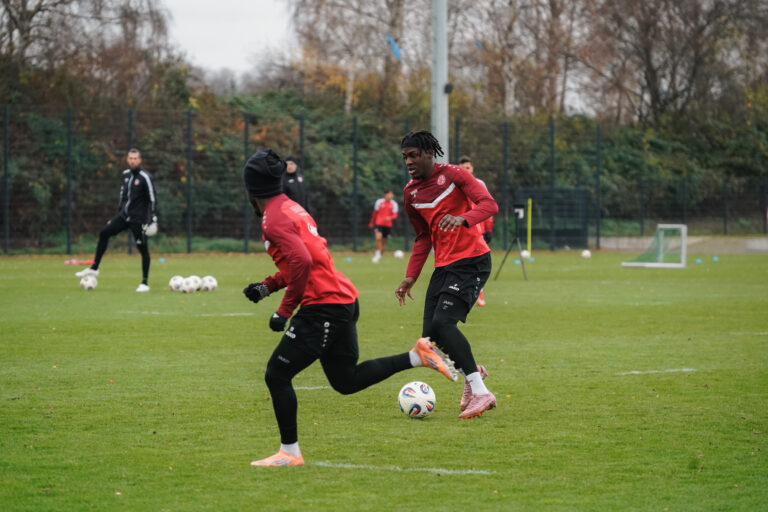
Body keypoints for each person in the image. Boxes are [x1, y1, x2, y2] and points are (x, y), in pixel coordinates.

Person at [241, 148, 458, 467]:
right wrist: (268, 286)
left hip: (324, 306)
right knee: (345, 380)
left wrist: (284, 311)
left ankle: (289, 453)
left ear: (251, 186)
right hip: (342, 299)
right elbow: (305, 261)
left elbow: (302, 262)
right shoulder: (291, 207)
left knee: (277, 375)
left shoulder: (273, 218)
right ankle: (417, 356)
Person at [395, 131, 499, 419]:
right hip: (444, 266)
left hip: (472, 260)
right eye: (405, 157)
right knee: (430, 339)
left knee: (444, 323)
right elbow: (422, 238)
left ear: (429, 154)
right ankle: (473, 374)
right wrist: (410, 276)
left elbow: (489, 204)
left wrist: (463, 218)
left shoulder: (454, 175)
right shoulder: (410, 193)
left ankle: (481, 393)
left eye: (414, 155)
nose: (409, 162)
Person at [75, 148, 158, 292]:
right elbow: (123, 197)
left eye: (135, 158)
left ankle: (144, 283)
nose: (132, 161)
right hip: (124, 217)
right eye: (130, 158)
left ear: (140, 160)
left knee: (143, 249)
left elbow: (152, 199)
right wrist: (116, 217)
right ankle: (94, 268)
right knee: (104, 233)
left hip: (138, 219)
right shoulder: (125, 174)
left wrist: (152, 219)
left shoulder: (145, 177)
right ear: (127, 159)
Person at [458, 155, 494, 307]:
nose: (465, 170)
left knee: (477, 263)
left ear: (472, 169)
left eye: (467, 168)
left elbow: (487, 205)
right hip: (460, 230)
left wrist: (488, 227)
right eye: (462, 168)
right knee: (461, 263)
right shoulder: (455, 185)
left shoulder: (479, 184)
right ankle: (464, 292)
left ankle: (478, 292)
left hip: (478, 230)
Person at [368, 189, 399, 263]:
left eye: (392, 194)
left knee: (384, 242)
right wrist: (371, 222)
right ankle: (377, 255)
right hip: (378, 224)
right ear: (386, 194)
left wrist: (390, 217)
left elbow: (395, 215)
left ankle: (379, 255)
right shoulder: (379, 202)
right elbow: (375, 213)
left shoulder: (394, 204)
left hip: (387, 226)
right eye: (389, 194)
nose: (391, 195)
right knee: (378, 238)